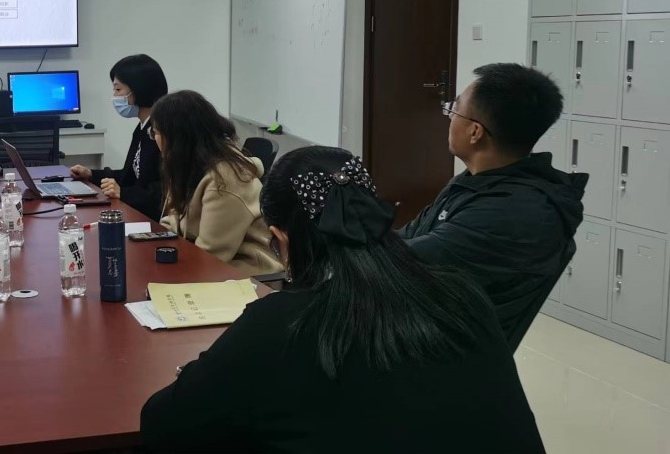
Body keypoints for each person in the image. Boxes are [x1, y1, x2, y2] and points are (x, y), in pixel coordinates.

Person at [140, 146, 545, 453]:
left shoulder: (281, 323)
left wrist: (201, 371)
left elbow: (163, 423)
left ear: (280, 239)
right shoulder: (462, 293)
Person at [401, 63, 587, 350]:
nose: (450, 117)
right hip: (421, 319)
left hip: (439, 352)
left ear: (475, 131)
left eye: (455, 110)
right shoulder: (475, 181)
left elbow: (401, 264)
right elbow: (412, 234)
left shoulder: (513, 212)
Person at [148, 90, 281, 276]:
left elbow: (211, 256)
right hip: (209, 262)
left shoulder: (225, 180)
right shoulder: (187, 165)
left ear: (176, 138)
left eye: (155, 132)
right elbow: (173, 220)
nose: (154, 138)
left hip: (248, 274)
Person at [68, 54, 167, 221]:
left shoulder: (161, 132)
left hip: (154, 220)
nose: (114, 96)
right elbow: (130, 175)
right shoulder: (142, 127)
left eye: (118, 89)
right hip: (138, 214)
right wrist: (91, 174)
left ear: (139, 89)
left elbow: (165, 191)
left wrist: (124, 193)